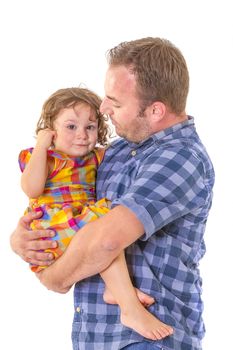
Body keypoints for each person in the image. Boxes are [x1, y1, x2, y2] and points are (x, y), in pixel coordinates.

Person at [10, 37, 215, 350]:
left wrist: (53, 277)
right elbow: (63, 201)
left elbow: (105, 240)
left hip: (146, 341)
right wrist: (21, 240)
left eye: (115, 102)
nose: (103, 109)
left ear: (156, 110)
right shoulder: (117, 152)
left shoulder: (181, 157)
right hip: (95, 337)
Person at [17, 86, 173, 341]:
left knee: (109, 230)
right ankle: (130, 307)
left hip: (80, 224)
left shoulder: (95, 157)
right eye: (71, 127)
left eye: (90, 127)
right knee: (105, 225)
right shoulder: (43, 157)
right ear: (51, 129)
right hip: (54, 225)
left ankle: (116, 291)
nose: (82, 135)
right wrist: (42, 145)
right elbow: (31, 188)